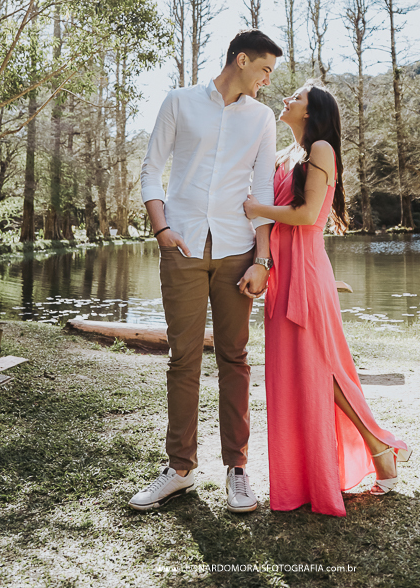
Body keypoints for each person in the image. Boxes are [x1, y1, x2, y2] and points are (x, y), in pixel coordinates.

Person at [129, 29, 283, 513]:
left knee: (235, 358)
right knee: (183, 358)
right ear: (241, 59)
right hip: (184, 246)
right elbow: (152, 169)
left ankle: (237, 469)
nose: (266, 82)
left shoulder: (261, 118)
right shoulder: (179, 102)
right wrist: (162, 230)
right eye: (264, 70)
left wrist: (262, 260)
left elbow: (261, 193)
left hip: (238, 251)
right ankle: (179, 469)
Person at [243, 82, 411, 516]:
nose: (286, 100)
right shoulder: (283, 155)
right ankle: (301, 477)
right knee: (293, 374)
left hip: (308, 268)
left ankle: (380, 448)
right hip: (283, 273)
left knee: (324, 369)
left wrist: (257, 209)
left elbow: (305, 215)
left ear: (312, 111)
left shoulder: (320, 149)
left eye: (296, 97)